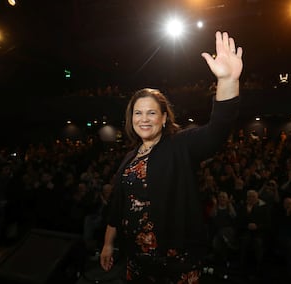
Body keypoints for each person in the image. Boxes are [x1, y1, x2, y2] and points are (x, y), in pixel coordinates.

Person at [99, 31, 243, 283]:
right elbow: (117, 207)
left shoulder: (179, 145)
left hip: (175, 262)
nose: (144, 119)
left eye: (151, 113)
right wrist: (108, 245)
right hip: (136, 261)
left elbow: (217, 131)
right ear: (131, 119)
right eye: (138, 113)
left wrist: (228, 80)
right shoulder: (130, 158)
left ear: (164, 118)